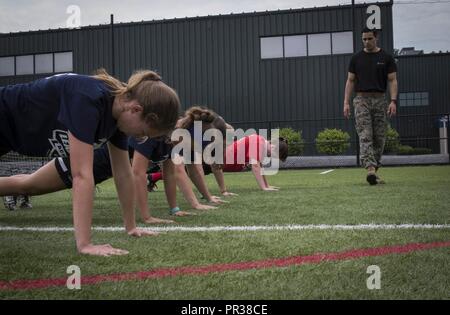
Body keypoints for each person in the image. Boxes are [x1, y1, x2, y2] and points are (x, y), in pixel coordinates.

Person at [0, 69, 180, 256]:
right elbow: (82, 175)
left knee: (29, 185)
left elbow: (123, 174)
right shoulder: (88, 98)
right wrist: (85, 244)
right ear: (136, 110)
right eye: (143, 132)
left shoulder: (118, 119)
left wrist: (131, 227)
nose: (139, 138)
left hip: (9, 138)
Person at [343, 27, 398, 185]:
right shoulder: (356, 59)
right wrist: (346, 102)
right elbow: (350, 81)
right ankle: (370, 170)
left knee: (379, 138)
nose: (366, 42)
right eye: (364, 39)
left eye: (369, 39)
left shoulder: (386, 57)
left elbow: (393, 80)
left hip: (381, 100)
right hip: (361, 100)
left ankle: (373, 171)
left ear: (376, 38)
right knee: (365, 135)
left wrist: (393, 101)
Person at [207, 134, 288, 192]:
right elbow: (255, 166)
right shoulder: (259, 141)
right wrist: (264, 188)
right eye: (274, 156)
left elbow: (260, 167)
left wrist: (267, 185)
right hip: (212, 163)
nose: (271, 157)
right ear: (273, 147)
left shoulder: (261, 144)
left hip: (218, 165)